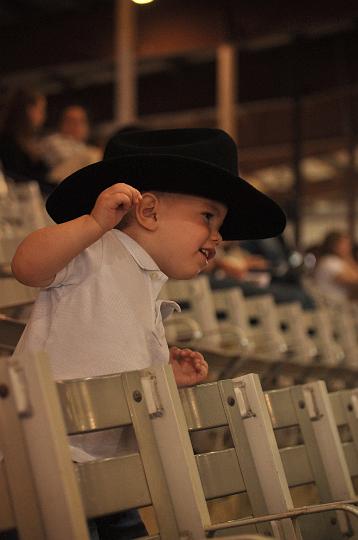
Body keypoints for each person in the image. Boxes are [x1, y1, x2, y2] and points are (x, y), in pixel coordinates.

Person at [11, 127, 286, 538]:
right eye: (208, 217)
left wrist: (162, 376)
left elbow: (121, 370)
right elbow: (27, 266)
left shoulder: (150, 288)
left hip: (111, 478)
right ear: (149, 212)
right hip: (42, 466)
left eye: (221, 227)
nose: (218, 238)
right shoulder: (94, 249)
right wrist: (90, 224)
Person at [0, 88, 51, 194]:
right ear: (29, 110)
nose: (44, 116)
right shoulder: (9, 143)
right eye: (41, 110)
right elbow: (19, 178)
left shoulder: (26, 141)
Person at [41, 104, 101, 184]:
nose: (76, 125)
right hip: (56, 183)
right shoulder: (53, 141)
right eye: (71, 121)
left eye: (81, 121)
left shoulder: (84, 147)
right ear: (61, 123)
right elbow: (64, 158)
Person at [314, 230, 358, 302]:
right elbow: (354, 280)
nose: (349, 248)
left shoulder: (335, 261)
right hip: (334, 306)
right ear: (334, 245)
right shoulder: (329, 262)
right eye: (345, 244)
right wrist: (348, 257)